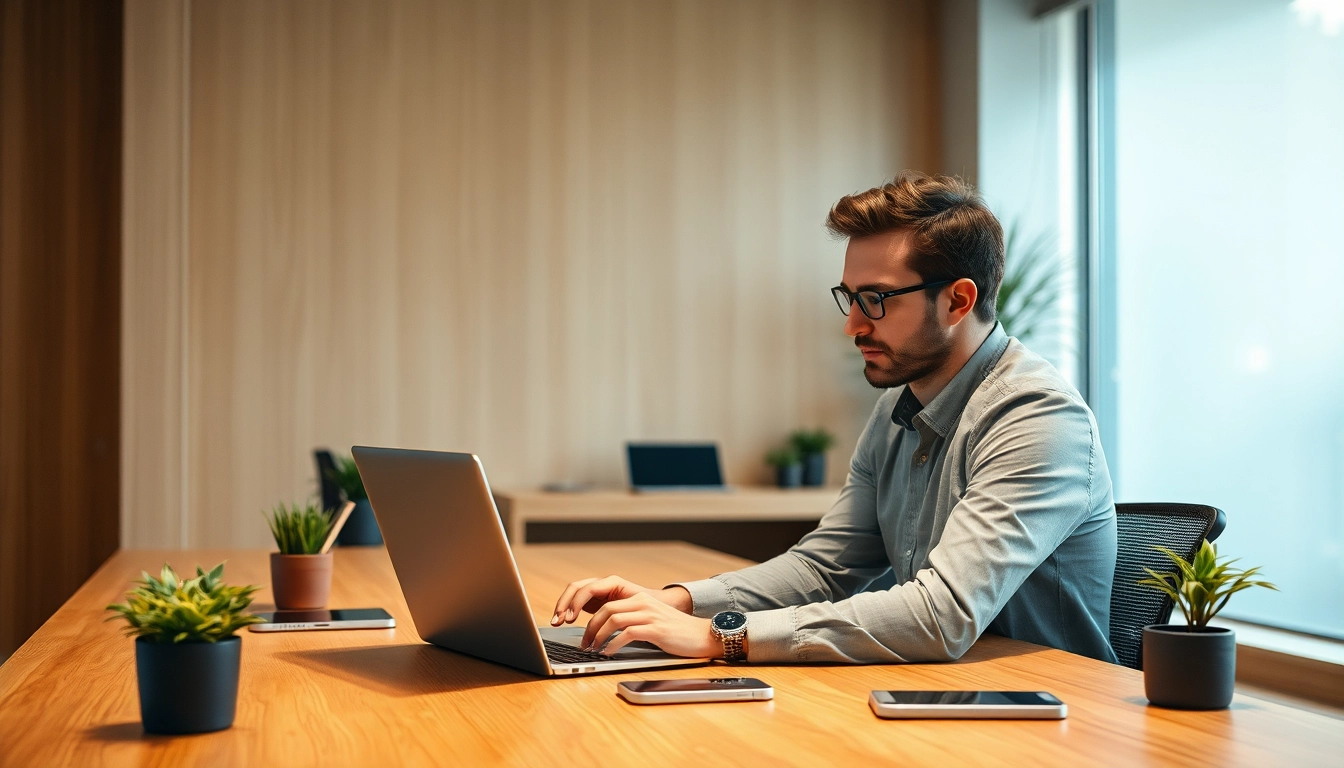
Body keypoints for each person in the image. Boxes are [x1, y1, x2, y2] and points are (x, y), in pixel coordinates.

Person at [550, 172, 1118, 664]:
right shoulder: (897, 408)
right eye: (849, 298)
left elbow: (942, 615)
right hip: (945, 694)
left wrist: (721, 637)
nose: (853, 326)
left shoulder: (1037, 417)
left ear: (958, 301)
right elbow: (824, 569)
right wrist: (675, 601)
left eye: (876, 300)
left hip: (1046, 713)